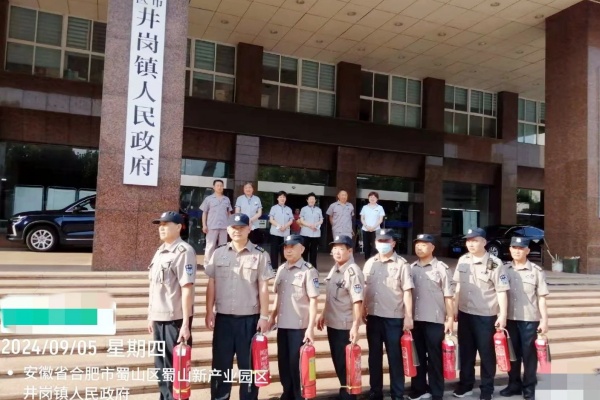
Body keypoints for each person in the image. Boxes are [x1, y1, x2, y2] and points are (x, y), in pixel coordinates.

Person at [204, 213, 275, 400]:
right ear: (228, 230)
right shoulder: (218, 253)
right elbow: (212, 283)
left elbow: (264, 287)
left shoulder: (260, 255)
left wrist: (264, 316)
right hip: (223, 319)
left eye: (242, 227)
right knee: (220, 366)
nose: (237, 231)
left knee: (248, 367)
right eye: (234, 228)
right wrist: (209, 311)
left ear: (249, 229)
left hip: (249, 321)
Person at [453, 228, 510, 400]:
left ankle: (487, 388)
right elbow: (458, 286)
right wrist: (454, 308)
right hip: (465, 313)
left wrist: (502, 315)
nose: (470, 244)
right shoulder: (463, 260)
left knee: (486, 354)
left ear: (484, 242)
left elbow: (501, 290)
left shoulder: (494, 263)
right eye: (468, 241)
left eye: (475, 240)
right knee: (466, 352)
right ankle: (466, 385)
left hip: (486, 316)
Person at [147, 211, 197, 400]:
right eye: (160, 225)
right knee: (161, 368)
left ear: (178, 227)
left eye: (166, 225)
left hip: (175, 319)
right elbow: (154, 287)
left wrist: (185, 324)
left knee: (175, 369)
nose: (161, 228)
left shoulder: (184, 252)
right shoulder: (160, 251)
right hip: (158, 317)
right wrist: (150, 314)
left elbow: (187, 288)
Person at [362, 229, 414, 400]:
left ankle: (397, 394)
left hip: (394, 318)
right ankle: (375, 392)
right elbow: (365, 288)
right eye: (380, 241)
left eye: (386, 241)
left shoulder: (402, 264)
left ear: (393, 243)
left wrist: (408, 316)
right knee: (374, 357)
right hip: (373, 317)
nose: (383, 244)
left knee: (395, 357)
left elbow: (407, 291)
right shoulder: (370, 263)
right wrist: (362, 308)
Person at [269, 234, 320, 400]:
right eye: (286, 247)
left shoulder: (308, 271)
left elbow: (314, 300)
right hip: (282, 325)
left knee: (296, 364)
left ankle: (299, 396)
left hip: (299, 327)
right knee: (283, 363)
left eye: (292, 247)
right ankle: (287, 393)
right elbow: (278, 296)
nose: (288, 250)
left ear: (302, 249)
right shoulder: (281, 269)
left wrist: (311, 328)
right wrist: (272, 317)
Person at [499, 237, 549, 400]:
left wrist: (544, 320)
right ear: (510, 249)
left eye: (521, 248)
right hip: (509, 319)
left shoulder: (536, 271)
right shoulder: (503, 269)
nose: (517, 251)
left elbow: (541, 297)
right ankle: (514, 384)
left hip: (529, 319)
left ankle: (529, 387)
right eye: (514, 247)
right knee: (512, 354)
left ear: (527, 251)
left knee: (529, 356)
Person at [317, 235, 364, 400]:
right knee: (338, 361)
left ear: (350, 251)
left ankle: (349, 395)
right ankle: (345, 391)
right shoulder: (335, 269)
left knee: (345, 364)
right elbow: (330, 295)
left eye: (341, 248)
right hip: (333, 322)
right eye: (334, 248)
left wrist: (355, 326)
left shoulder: (353, 271)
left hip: (345, 325)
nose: (337, 252)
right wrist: (323, 313)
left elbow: (357, 301)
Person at [409, 234, 454, 400]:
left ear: (432, 247)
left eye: (424, 244)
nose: (419, 247)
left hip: (434, 320)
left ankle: (436, 391)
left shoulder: (441, 268)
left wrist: (450, 318)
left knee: (435, 358)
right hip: (415, 320)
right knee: (417, 356)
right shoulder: (411, 268)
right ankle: (419, 389)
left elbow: (448, 296)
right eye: (417, 244)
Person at [200, 179, 232, 264]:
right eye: (217, 185)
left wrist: (231, 225)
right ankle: (208, 265)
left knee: (223, 246)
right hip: (211, 226)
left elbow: (229, 213)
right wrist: (204, 225)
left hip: (224, 226)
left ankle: (221, 264)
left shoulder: (226, 199)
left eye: (221, 186)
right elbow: (204, 213)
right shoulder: (208, 199)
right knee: (210, 246)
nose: (219, 187)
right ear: (214, 187)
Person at [268, 191, 294, 268]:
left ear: (285, 199)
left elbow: (291, 220)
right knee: (274, 251)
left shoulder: (288, 209)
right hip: (275, 232)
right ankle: (274, 268)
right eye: (281, 197)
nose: (282, 198)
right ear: (278, 198)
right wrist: (279, 226)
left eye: (284, 197)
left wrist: (285, 226)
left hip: (285, 234)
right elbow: (271, 219)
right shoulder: (274, 208)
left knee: (284, 251)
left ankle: (284, 267)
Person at [299, 192, 323, 268]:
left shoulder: (319, 210)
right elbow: (301, 220)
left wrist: (315, 224)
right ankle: (304, 266)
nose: (312, 200)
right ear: (307, 200)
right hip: (305, 233)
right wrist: (310, 225)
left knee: (314, 251)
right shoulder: (303, 209)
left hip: (315, 234)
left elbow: (321, 220)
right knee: (304, 251)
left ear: (315, 200)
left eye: (313, 199)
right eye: (310, 199)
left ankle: (313, 267)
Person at [359, 192, 385, 260]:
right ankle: (367, 261)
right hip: (365, 229)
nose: (372, 198)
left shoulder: (380, 208)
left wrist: (373, 227)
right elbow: (362, 218)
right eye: (371, 197)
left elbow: (380, 220)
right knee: (366, 247)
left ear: (377, 199)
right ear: (368, 198)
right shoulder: (364, 207)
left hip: (376, 230)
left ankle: (375, 260)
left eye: (374, 197)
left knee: (375, 247)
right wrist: (367, 226)